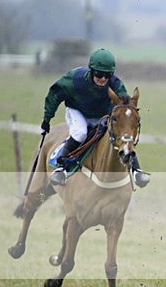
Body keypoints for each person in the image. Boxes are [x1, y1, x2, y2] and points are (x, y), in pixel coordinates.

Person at [41, 48, 130, 186]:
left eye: (107, 75)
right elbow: (55, 94)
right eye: (99, 74)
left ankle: (135, 170)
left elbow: (124, 105)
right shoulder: (75, 79)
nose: (103, 79)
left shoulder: (115, 84)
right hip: (77, 111)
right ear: (91, 71)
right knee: (80, 133)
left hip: (100, 116)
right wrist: (47, 118)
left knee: (115, 135)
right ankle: (61, 166)